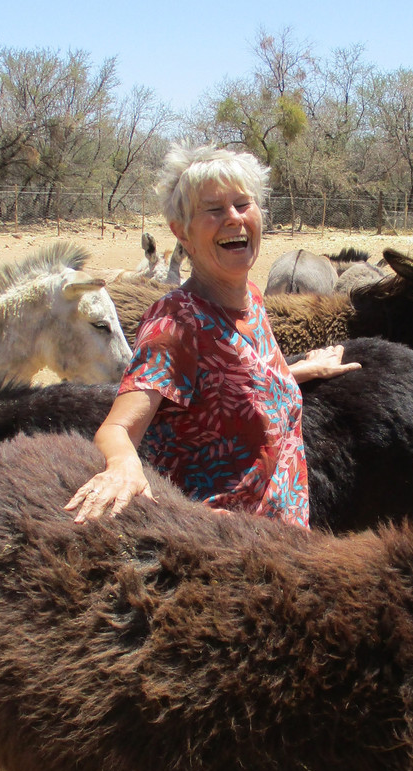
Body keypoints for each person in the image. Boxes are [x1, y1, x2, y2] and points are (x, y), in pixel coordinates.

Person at [65, 143, 359, 528]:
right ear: (181, 232)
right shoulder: (176, 322)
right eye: (214, 209)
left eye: (243, 204)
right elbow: (118, 427)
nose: (234, 218)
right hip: (222, 553)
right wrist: (122, 465)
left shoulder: (251, 298)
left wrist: (299, 369)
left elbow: (236, 380)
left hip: (281, 546)